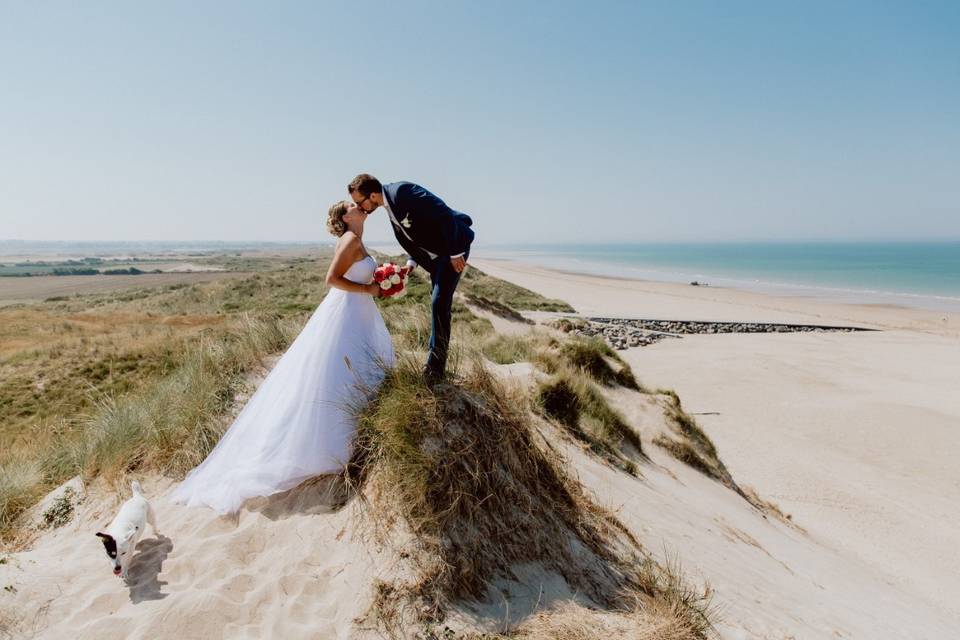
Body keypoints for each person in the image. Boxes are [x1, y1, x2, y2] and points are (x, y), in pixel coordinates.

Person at [171, 201, 393, 514]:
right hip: (347, 312)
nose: (361, 207)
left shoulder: (357, 240)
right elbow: (332, 279)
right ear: (346, 217)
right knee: (339, 373)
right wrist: (370, 288)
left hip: (359, 313)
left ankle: (356, 436)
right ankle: (335, 447)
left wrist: (385, 282)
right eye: (354, 206)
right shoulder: (351, 241)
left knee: (355, 370)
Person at [348, 174, 474, 381]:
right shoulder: (389, 206)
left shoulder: (402, 192)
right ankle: (436, 360)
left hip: (453, 249)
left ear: (372, 195)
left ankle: (435, 368)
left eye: (360, 203)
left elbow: (442, 212)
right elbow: (414, 236)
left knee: (439, 302)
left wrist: (455, 252)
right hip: (436, 258)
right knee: (438, 303)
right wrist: (411, 263)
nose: (361, 208)